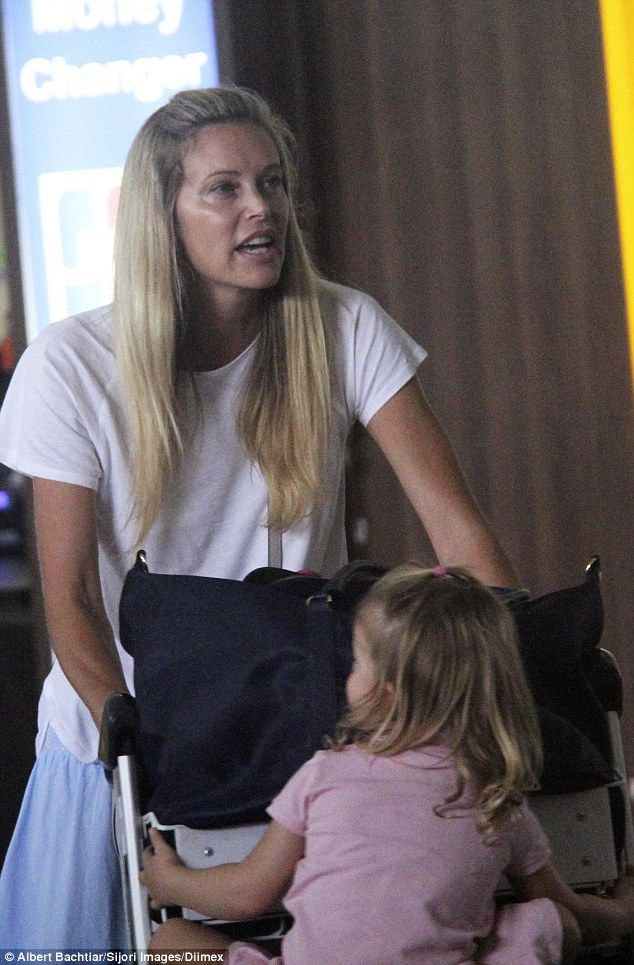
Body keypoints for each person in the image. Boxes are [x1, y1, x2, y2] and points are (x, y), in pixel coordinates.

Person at [0, 87, 519, 949]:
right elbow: (73, 599)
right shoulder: (71, 363)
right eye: (225, 189)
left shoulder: (345, 326)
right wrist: (128, 739)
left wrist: (503, 683)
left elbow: (460, 535)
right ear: (162, 218)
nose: (261, 208)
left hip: (299, 727)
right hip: (123, 737)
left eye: (273, 183)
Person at [141, 565, 634, 963]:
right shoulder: (496, 796)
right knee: (552, 923)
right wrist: (624, 912)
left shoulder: (325, 775)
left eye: (357, 663)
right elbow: (565, 907)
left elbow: (247, 896)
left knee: (170, 945)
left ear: (385, 693)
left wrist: (170, 882)